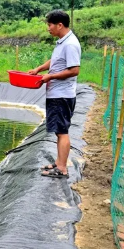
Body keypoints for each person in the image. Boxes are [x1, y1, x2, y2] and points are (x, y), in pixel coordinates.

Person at [28, 10, 82, 178]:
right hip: (56, 93)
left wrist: (50, 76)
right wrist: (39, 69)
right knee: (59, 131)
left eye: (50, 25)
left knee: (62, 131)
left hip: (62, 94)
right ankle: (59, 163)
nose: (48, 28)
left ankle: (62, 168)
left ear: (60, 25)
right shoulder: (62, 42)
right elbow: (56, 61)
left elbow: (74, 70)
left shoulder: (70, 44)